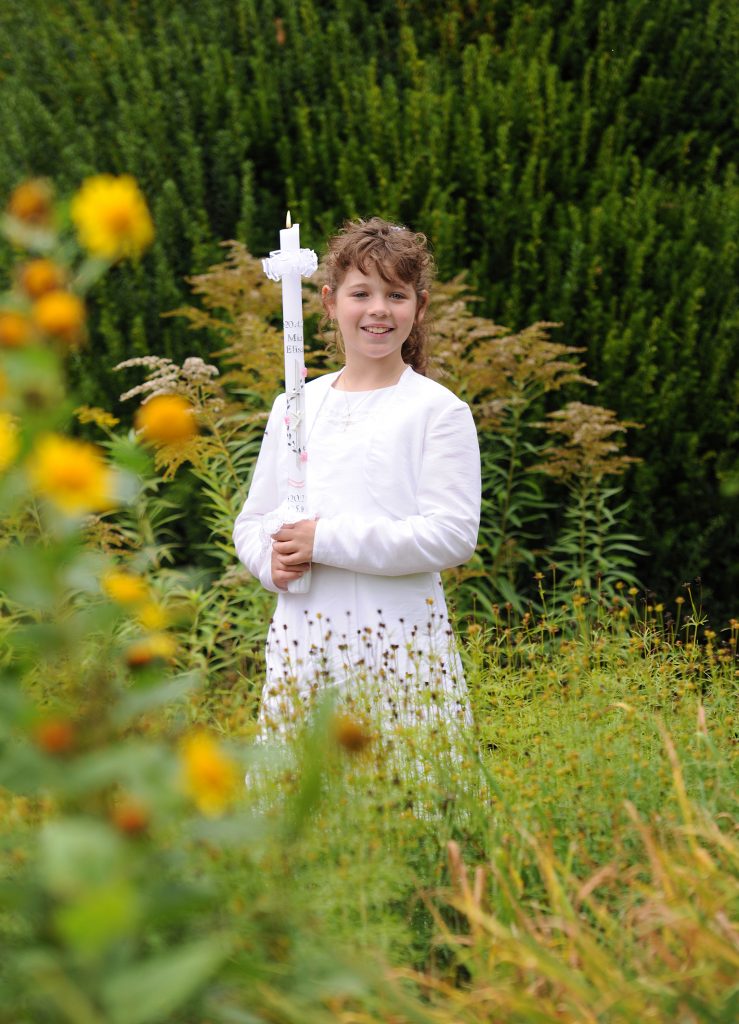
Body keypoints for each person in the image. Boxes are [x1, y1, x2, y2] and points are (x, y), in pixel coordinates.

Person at [233, 218, 481, 736]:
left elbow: (452, 535)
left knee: (402, 777)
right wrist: (269, 563)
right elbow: (254, 520)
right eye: (361, 293)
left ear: (419, 306)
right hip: (303, 643)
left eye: (396, 295)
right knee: (304, 782)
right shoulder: (295, 404)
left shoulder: (438, 411)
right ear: (330, 302)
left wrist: (323, 540)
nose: (378, 309)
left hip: (400, 646)